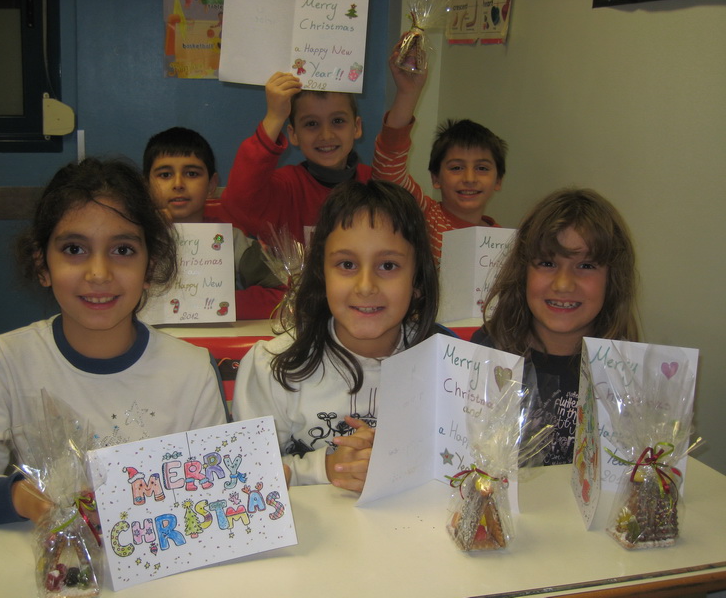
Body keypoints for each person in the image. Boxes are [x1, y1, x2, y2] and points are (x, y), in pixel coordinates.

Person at [0, 158, 228, 540]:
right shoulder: (7, 363)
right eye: (74, 248)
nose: (98, 273)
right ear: (42, 265)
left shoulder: (192, 370)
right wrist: (15, 498)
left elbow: (218, 496)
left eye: (122, 250)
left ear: (150, 267)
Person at [232, 179, 454, 491]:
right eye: (347, 264)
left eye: (388, 265)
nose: (366, 286)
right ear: (321, 274)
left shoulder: (449, 368)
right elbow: (243, 476)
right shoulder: (272, 366)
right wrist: (325, 467)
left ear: (417, 280)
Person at [471, 188, 640, 466]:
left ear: (613, 279)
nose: (563, 284)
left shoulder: (626, 373)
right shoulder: (487, 351)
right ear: (523, 271)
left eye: (586, 265)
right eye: (547, 263)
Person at [372, 43, 507, 268]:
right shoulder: (423, 216)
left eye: (482, 168)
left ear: (498, 180)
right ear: (436, 177)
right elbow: (388, 167)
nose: (469, 178)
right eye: (456, 167)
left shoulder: (502, 242)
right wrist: (408, 93)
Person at [143, 126, 285, 320]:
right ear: (146, 185)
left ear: (211, 184)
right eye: (165, 175)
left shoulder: (230, 240)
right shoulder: (135, 239)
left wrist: (222, 305)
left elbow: (283, 293)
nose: (178, 184)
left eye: (192, 173)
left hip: (219, 336)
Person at [219, 72, 372, 245]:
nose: (326, 135)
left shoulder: (373, 182)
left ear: (356, 127)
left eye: (337, 121)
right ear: (293, 135)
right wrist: (274, 117)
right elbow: (239, 203)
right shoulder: (285, 188)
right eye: (311, 124)